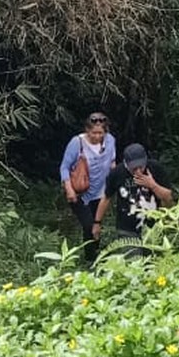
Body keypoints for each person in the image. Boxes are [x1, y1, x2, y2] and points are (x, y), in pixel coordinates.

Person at [95, 143, 175, 253]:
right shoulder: (117, 173)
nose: (138, 171)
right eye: (134, 168)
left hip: (153, 229)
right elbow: (106, 198)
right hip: (127, 228)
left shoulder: (156, 169)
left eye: (141, 167)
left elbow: (168, 198)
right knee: (133, 265)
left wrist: (152, 185)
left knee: (152, 264)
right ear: (126, 164)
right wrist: (97, 222)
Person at [60, 112, 116, 268]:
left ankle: (95, 254)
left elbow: (112, 162)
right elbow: (64, 167)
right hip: (80, 193)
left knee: (96, 223)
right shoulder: (76, 143)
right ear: (87, 130)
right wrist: (69, 189)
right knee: (88, 224)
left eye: (100, 133)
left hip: (101, 191)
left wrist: (115, 182)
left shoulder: (111, 141)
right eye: (94, 133)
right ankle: (90, 259)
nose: (97, 136)